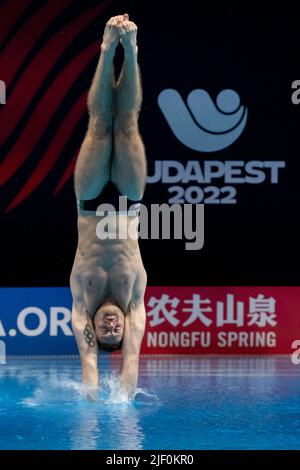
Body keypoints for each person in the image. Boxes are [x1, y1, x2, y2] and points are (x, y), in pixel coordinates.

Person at [70, 14, 147, 400]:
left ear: (93, 330)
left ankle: (105, 48)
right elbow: (130, 360)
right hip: (129, 202)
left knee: (100, 124)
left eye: (106, 333)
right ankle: (130, 51)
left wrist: (91, 407)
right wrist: (124, 405)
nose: (113, 328)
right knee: (128, 124)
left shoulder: (82, 305)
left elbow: (88, 365)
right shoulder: (134, 302)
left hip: (91, 201)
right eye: (116, 332)